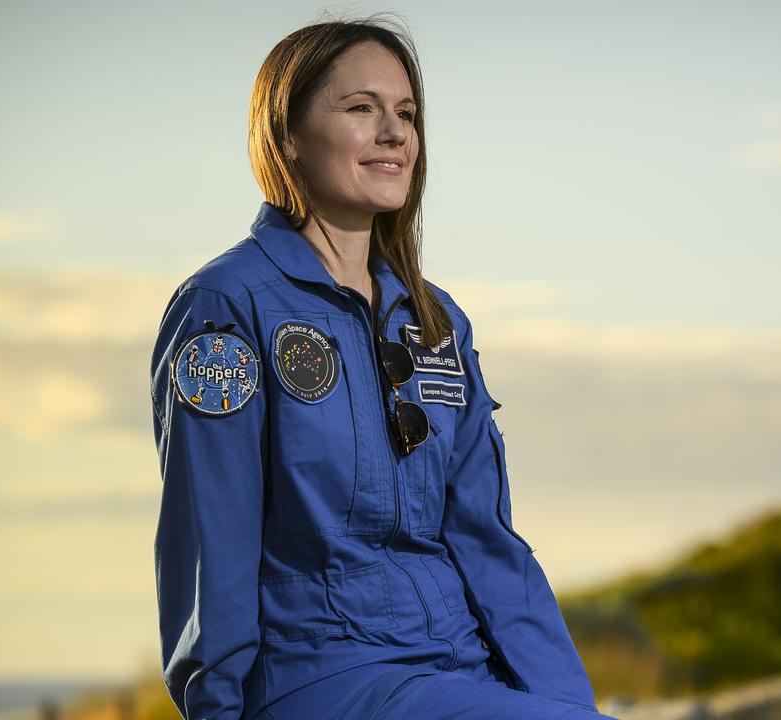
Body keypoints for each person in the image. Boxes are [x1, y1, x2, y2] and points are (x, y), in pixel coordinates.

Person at [149, 17, 616, 720]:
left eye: (407, 114)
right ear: (286, 136)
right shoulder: (228, 306)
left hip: (459, 670)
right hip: (324, 678)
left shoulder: (434, 322)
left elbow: (487, 542)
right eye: (361, 108)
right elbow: (213, 537)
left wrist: (567, 703)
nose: (394, 133)